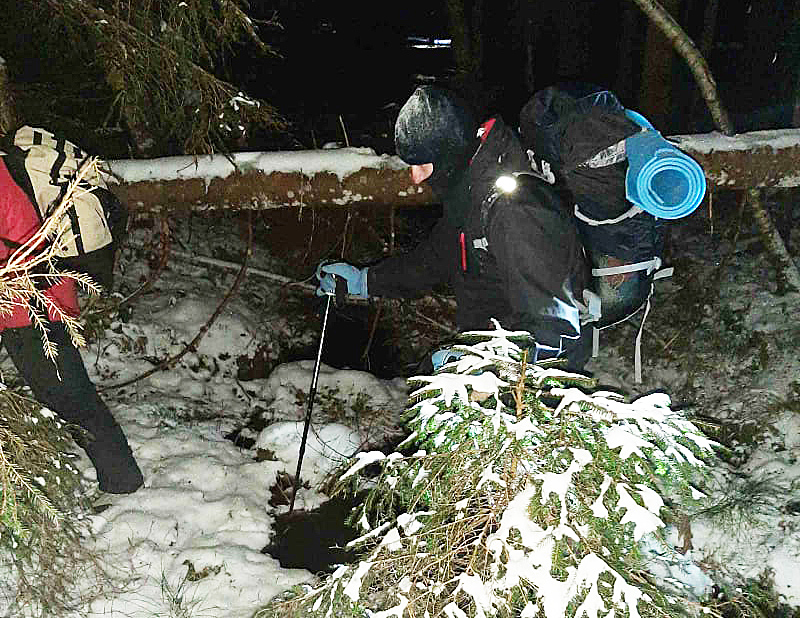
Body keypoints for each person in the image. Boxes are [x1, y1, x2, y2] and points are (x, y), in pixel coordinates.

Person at [317, 85, 591, 371]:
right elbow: (431, 260)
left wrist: (478, 364)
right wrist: (365, 281)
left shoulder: (515, 211)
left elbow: (553, 330)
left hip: (534, 375)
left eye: (422, 164)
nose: (415, 178)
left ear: (449, 153)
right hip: (491, 348)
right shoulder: (470, 191)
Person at [0, 154, 143, 494]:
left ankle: (122, 483)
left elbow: (21, 239)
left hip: (31, 306)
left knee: (70, 400)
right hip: (35, 298)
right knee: (69, 397)